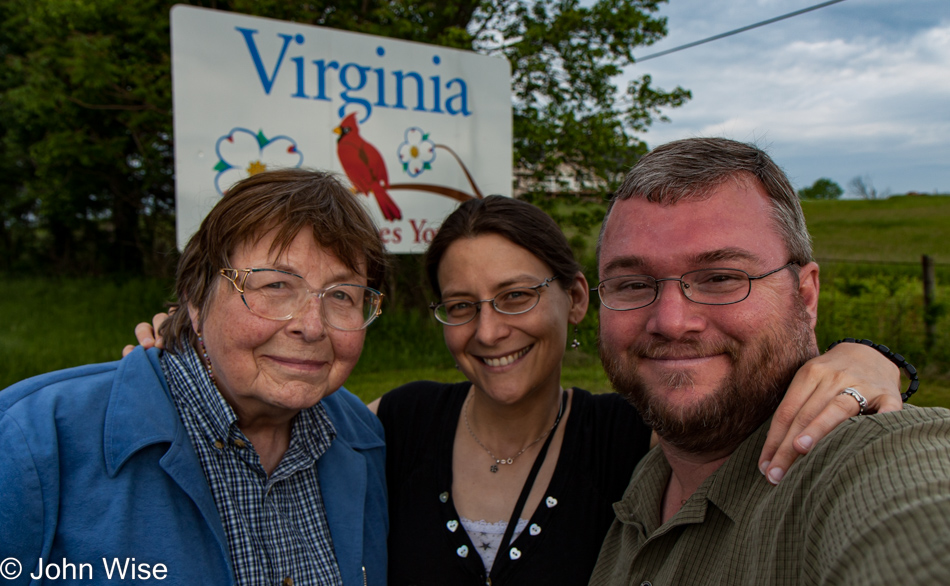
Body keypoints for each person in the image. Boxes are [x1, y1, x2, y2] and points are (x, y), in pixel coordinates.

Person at [130, 196, 903, 586]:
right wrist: (198, 337)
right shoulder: (399, 421)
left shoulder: (636, 438)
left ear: (575, 298)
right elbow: (282, 414)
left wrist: (873, 359)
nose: (489, 331)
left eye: (515, 297)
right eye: (461, 307)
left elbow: (749, 398)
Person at [0, 169, 389, 586]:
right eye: (275, 285)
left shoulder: (360, 436)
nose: (312, 327)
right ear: (196, 299)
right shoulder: (35, 440)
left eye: (343, 295)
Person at [589, 137, 950, 585]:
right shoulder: (641, 477)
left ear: (805, 295)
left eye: (721, 278)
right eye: (632, 284)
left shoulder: (863, 460)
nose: (671, 322)